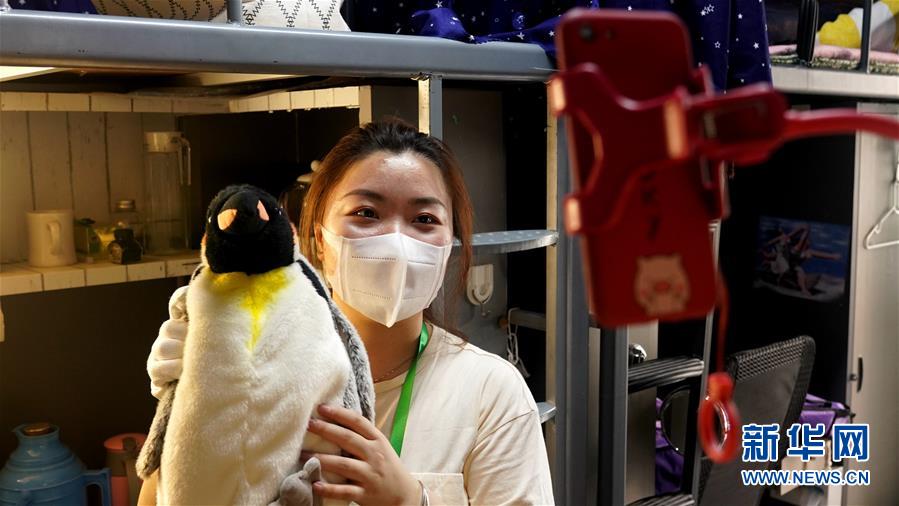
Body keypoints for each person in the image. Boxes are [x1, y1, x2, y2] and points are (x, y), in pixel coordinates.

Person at [138, 119, 555, 505]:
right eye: (366, 213)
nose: (396, 240)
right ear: (318, 240)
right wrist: (197, 392)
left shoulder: (491, 393)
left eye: (424, 219)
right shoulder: (251, 367)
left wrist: (410, 500)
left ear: (448, 246)